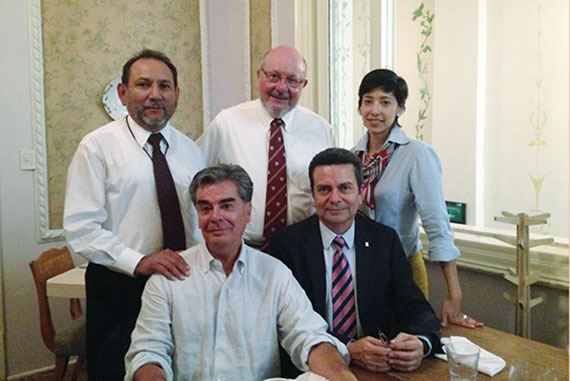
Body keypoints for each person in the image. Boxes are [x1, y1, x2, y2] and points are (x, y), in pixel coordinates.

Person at [125, 164, 357, 381]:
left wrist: (342, 375)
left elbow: (309, 337)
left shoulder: (274, 274)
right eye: (206, 208)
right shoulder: (169, 276)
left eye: (226, 205)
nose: (215, 216)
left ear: (247, 212)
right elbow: (147, 352)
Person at [63, 49, 204, 380]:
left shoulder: (190, 150)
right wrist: (140, 261)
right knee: (114, 368)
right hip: (119, 285)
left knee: (176, 367)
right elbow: (82, 228)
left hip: (180, 283)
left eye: (165, 86)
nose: (155, 95)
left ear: (177, 95)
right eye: (144, 85)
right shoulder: (97, 147)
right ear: (123, 93)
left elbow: (198, 220)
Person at [270, 148, 441, 375]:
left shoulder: (384, 240)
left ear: (360, 193)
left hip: (379, 367)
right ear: (313, 195)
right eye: (324, 189)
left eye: (345, 188)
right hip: (315, 370)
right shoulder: (288, 245)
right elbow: (288, 325)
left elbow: (415, 306)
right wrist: (348, 347)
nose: (335, 199)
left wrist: (421, 342)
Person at [351, 69, 483, 329]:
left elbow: (437, 223)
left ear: (400, 108)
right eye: (368, 101)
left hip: (403, 267)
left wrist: (454, 294)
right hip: (361, 268)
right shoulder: (353, 157)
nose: (375, 110)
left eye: (385, 102)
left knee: (408, 346)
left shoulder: (416, 155)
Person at [197, 45, 334, 250]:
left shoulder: (321, 129)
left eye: (292, 80)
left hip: (302, 249)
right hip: (242, 249)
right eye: (274, 76)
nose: (281, 87)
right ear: (259, 75)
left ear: (303, 84)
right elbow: (194, 178)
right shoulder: (227, 123)